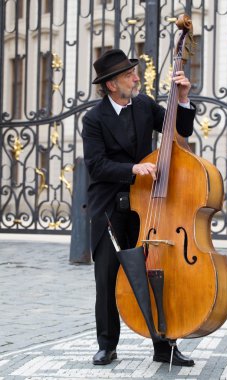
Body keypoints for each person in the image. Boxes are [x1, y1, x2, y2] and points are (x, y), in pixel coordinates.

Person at [82, 49, 196, 367]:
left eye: (134, 72)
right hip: (109, 209)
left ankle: (165, 346)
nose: (136, 77)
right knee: (106, 278)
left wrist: (183, 99)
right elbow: (96, 165)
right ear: (111, 85)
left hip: (146, 207)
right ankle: (107, 345)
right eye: (129, 75)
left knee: (156, 273)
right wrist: (133, 169)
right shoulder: (93, 120)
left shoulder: (144, 104)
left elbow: (178, 128)